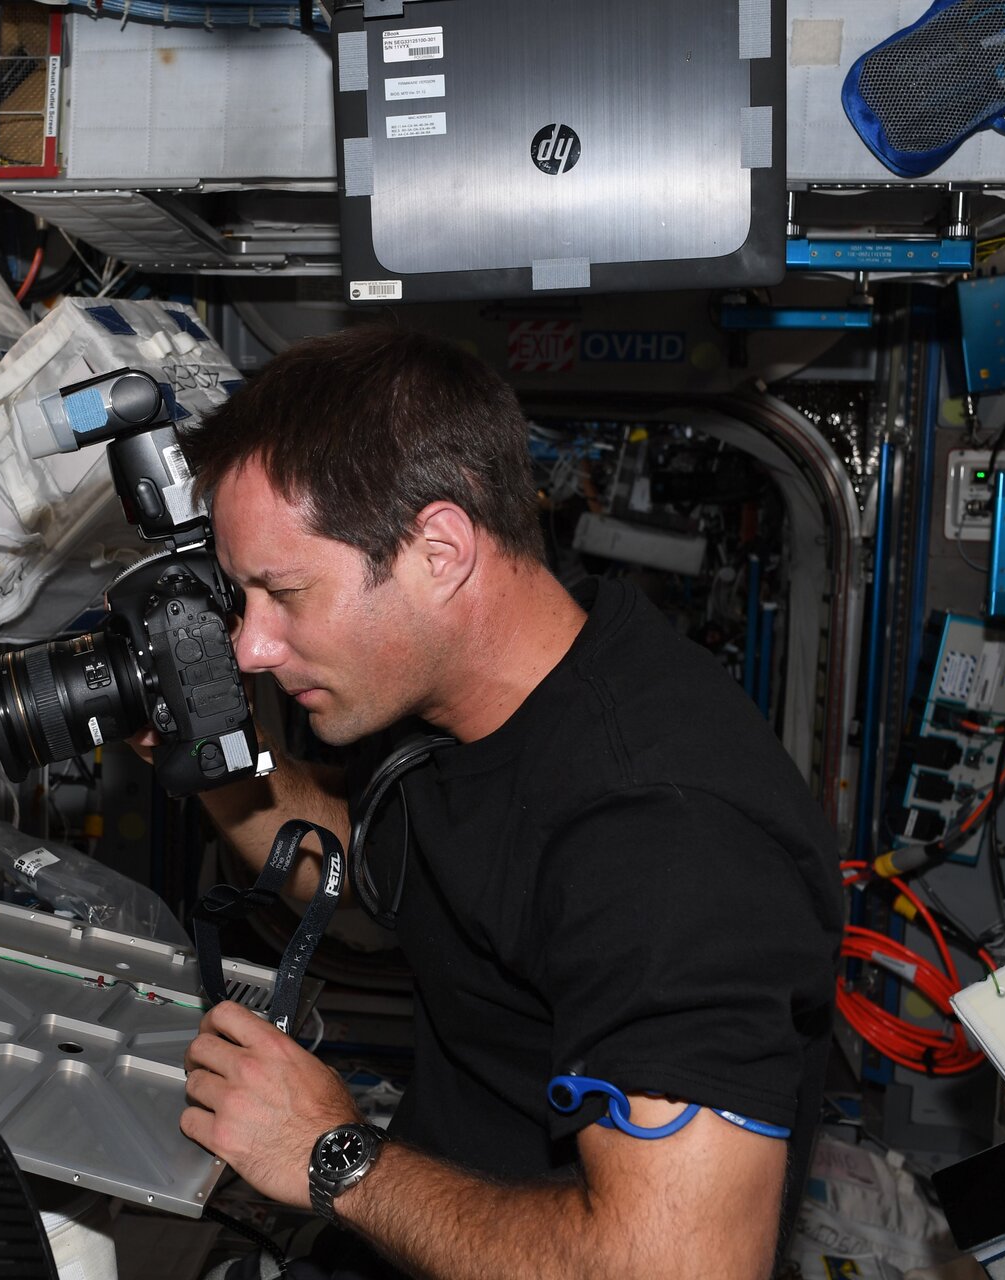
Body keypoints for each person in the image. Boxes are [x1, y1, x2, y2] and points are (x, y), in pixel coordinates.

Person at [159, 325, 841, 1280]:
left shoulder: (664, 837)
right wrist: (217, 763)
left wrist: (330, 1156)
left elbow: (681, 1268)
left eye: (284, 594)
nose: (250, 648)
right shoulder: (461, 710)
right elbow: (363, 880)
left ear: (439, 551)